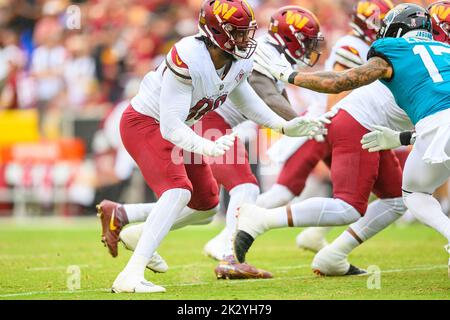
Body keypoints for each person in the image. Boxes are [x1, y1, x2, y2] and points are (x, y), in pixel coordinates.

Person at [98, 0, 325, 293]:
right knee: (178, 190)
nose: (245, 39)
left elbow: (248, 101)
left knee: (205, 205)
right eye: (238, 33)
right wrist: (205, 145)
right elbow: (169, 126)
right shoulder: (189, 56)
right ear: (216, 32)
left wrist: (284, 126)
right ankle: (130, 275)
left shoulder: (238, 59)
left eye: (247, 32)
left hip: (183, 128)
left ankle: (136, 231)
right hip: (145, 123)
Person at [243, 3, 450, 277]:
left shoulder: (396, 52)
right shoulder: (440, 53)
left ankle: (332, 256)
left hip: (390, 126)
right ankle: (262, 218)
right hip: (357, 121)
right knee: (350, 206)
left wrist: (289, 75)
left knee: (402, 198)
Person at [256, 0, 395, 253]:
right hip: (324, 122)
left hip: (343, 123)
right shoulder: (353, 46)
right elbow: (338, 92)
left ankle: (315, 234)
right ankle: (234, 231)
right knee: (285, 190)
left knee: (369, 186)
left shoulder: (369, 46)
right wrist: (329, 130)